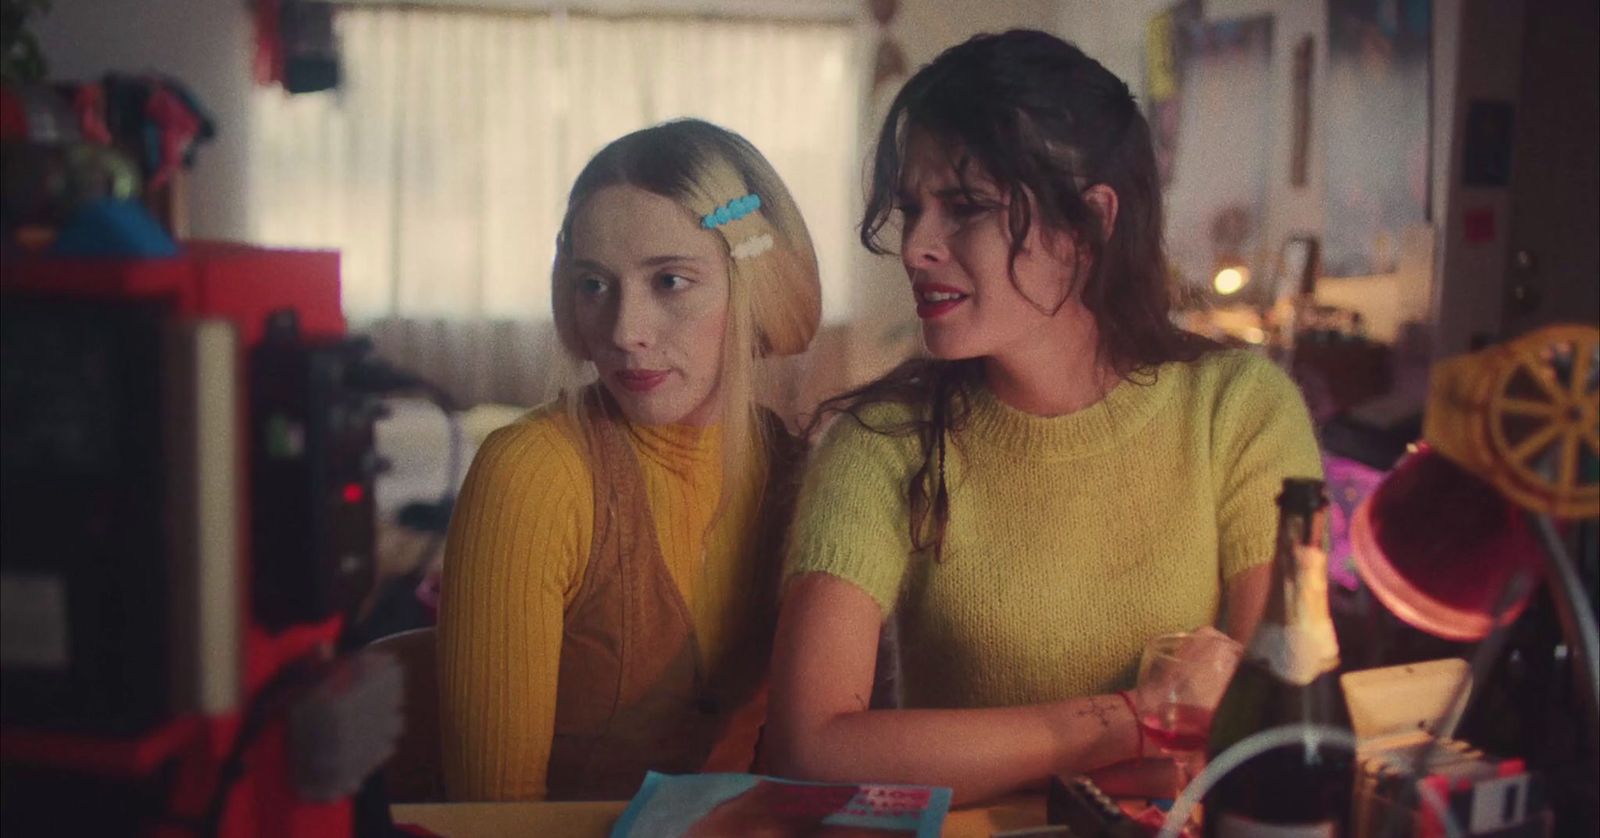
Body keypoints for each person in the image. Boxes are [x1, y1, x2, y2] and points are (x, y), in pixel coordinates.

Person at [766, 30, 1323, 805]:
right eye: (912, 210)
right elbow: (810, 745)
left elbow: (1261, 730)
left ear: (1089, 224)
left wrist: (982, 755)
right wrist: (1128, 720)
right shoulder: (881, 444)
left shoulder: (1241, 412)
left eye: (963, 208)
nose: (917, 248)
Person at [438, 119, 822, 801]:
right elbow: (494, 817)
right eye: (593, 285)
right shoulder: (533, 476)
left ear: (752, 284)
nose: (623, 333)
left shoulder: (800, 474)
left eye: (670, 281)